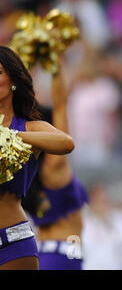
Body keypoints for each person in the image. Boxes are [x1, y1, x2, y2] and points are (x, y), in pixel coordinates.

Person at [0, 46, 74, 270]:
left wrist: (11, 136)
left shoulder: (30, 127)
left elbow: (66, 143)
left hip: (13, 242)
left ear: (13, 80)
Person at [21, 61, 89, 270]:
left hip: (44, 253)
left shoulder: (28, 171)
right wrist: (56, 60)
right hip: (63, 254)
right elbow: (61, 104)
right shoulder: (54, 165)